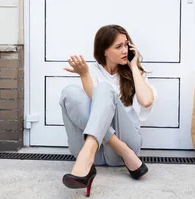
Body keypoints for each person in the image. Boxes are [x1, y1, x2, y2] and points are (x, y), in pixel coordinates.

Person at [58, 24, 157, 197]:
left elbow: (147, 101)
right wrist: (84, 75)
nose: (124, 50)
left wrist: (134, 67)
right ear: (104, 51)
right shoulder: (92, 71)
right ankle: (113, 150)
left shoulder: (134, 73)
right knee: (69, 93)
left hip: (123, 149)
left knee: (104, 89)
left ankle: (89, 156)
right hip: (101, 155)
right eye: (118, 47)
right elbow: (92, 104)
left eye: (126, 45)